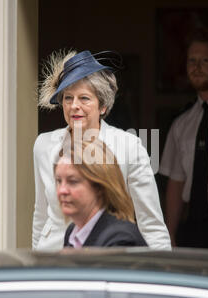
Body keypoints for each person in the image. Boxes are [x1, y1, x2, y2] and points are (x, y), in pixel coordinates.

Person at [32, 49, 171, 251]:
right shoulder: (44, 145)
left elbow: (152, 225)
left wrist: (161, 274)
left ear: (103, 106)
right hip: (53, 259)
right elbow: (41, 215)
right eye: (68, 98)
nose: (74, 106)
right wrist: (36, 263)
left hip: (105, 258)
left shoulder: (128, 147)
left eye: (84, 98)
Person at [159, 29, 208, 248]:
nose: (197, 67)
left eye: (205, 60)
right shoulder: (182, 124)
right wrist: (169, 235)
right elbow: (176, 181)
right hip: (193, 223)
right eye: (192, 60)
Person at [54, 139, 147, 247]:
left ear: (99, 187)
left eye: (73, 181)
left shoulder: (121, 239)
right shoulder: (72, 232)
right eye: (59, 181)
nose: (62, 190)